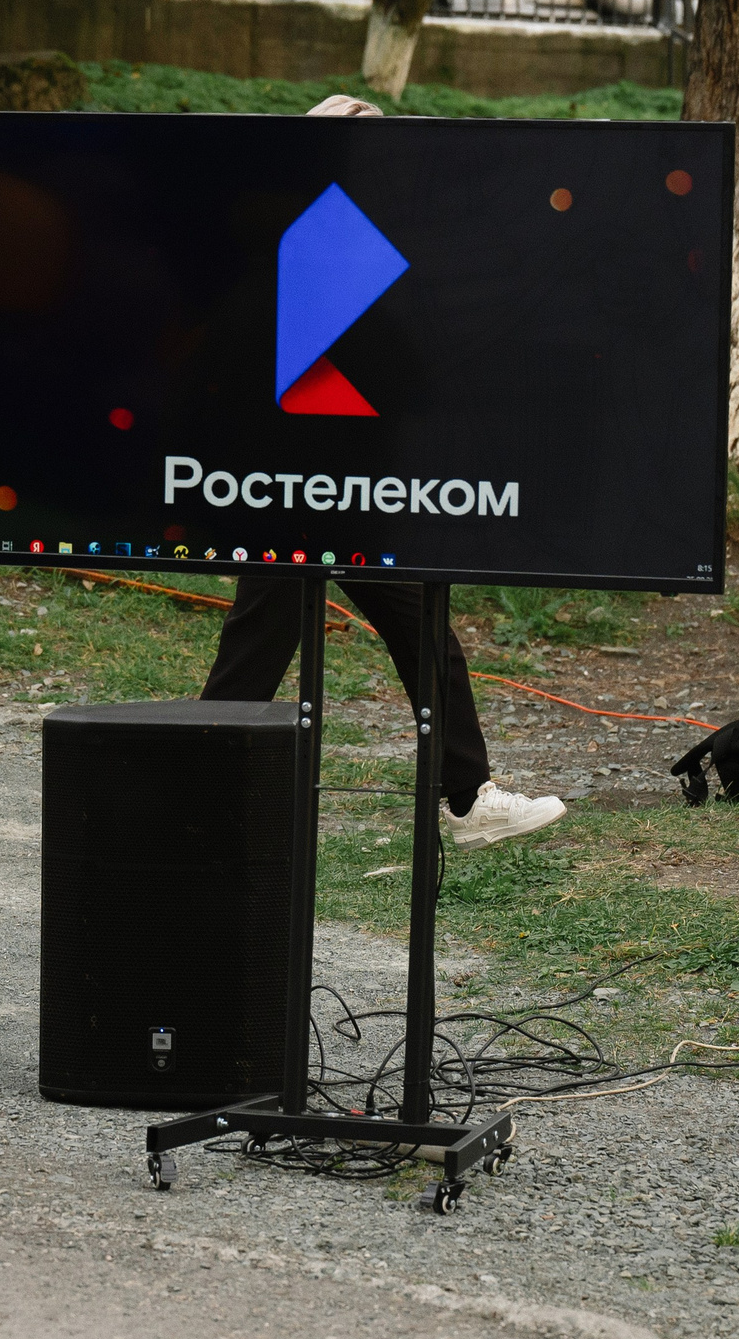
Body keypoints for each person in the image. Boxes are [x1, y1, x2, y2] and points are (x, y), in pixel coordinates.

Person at [199, 92, 566, 851]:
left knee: (421, 627)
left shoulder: (368, 242)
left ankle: (465, 797)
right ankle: (194, 784)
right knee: (259, 643)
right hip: (293, 486)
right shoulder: (299, 243)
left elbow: (406, 370)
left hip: (361, 487)